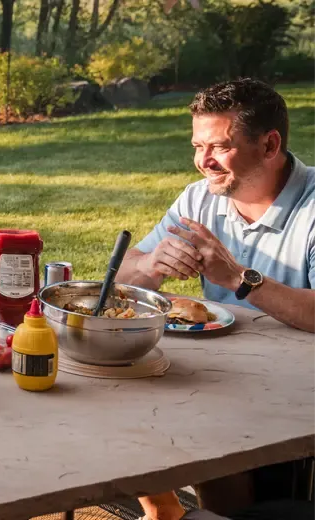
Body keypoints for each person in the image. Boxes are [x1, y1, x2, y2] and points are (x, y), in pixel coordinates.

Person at [114, 78, 315, 520]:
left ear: (269, 145)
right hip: (224, 376)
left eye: (219, 147)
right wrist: (151, 267)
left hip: (296, 391)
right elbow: (124, 278)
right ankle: (167, 507)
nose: (202, 162)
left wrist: (240, 279)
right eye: (196, 146)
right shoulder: (199, 199)